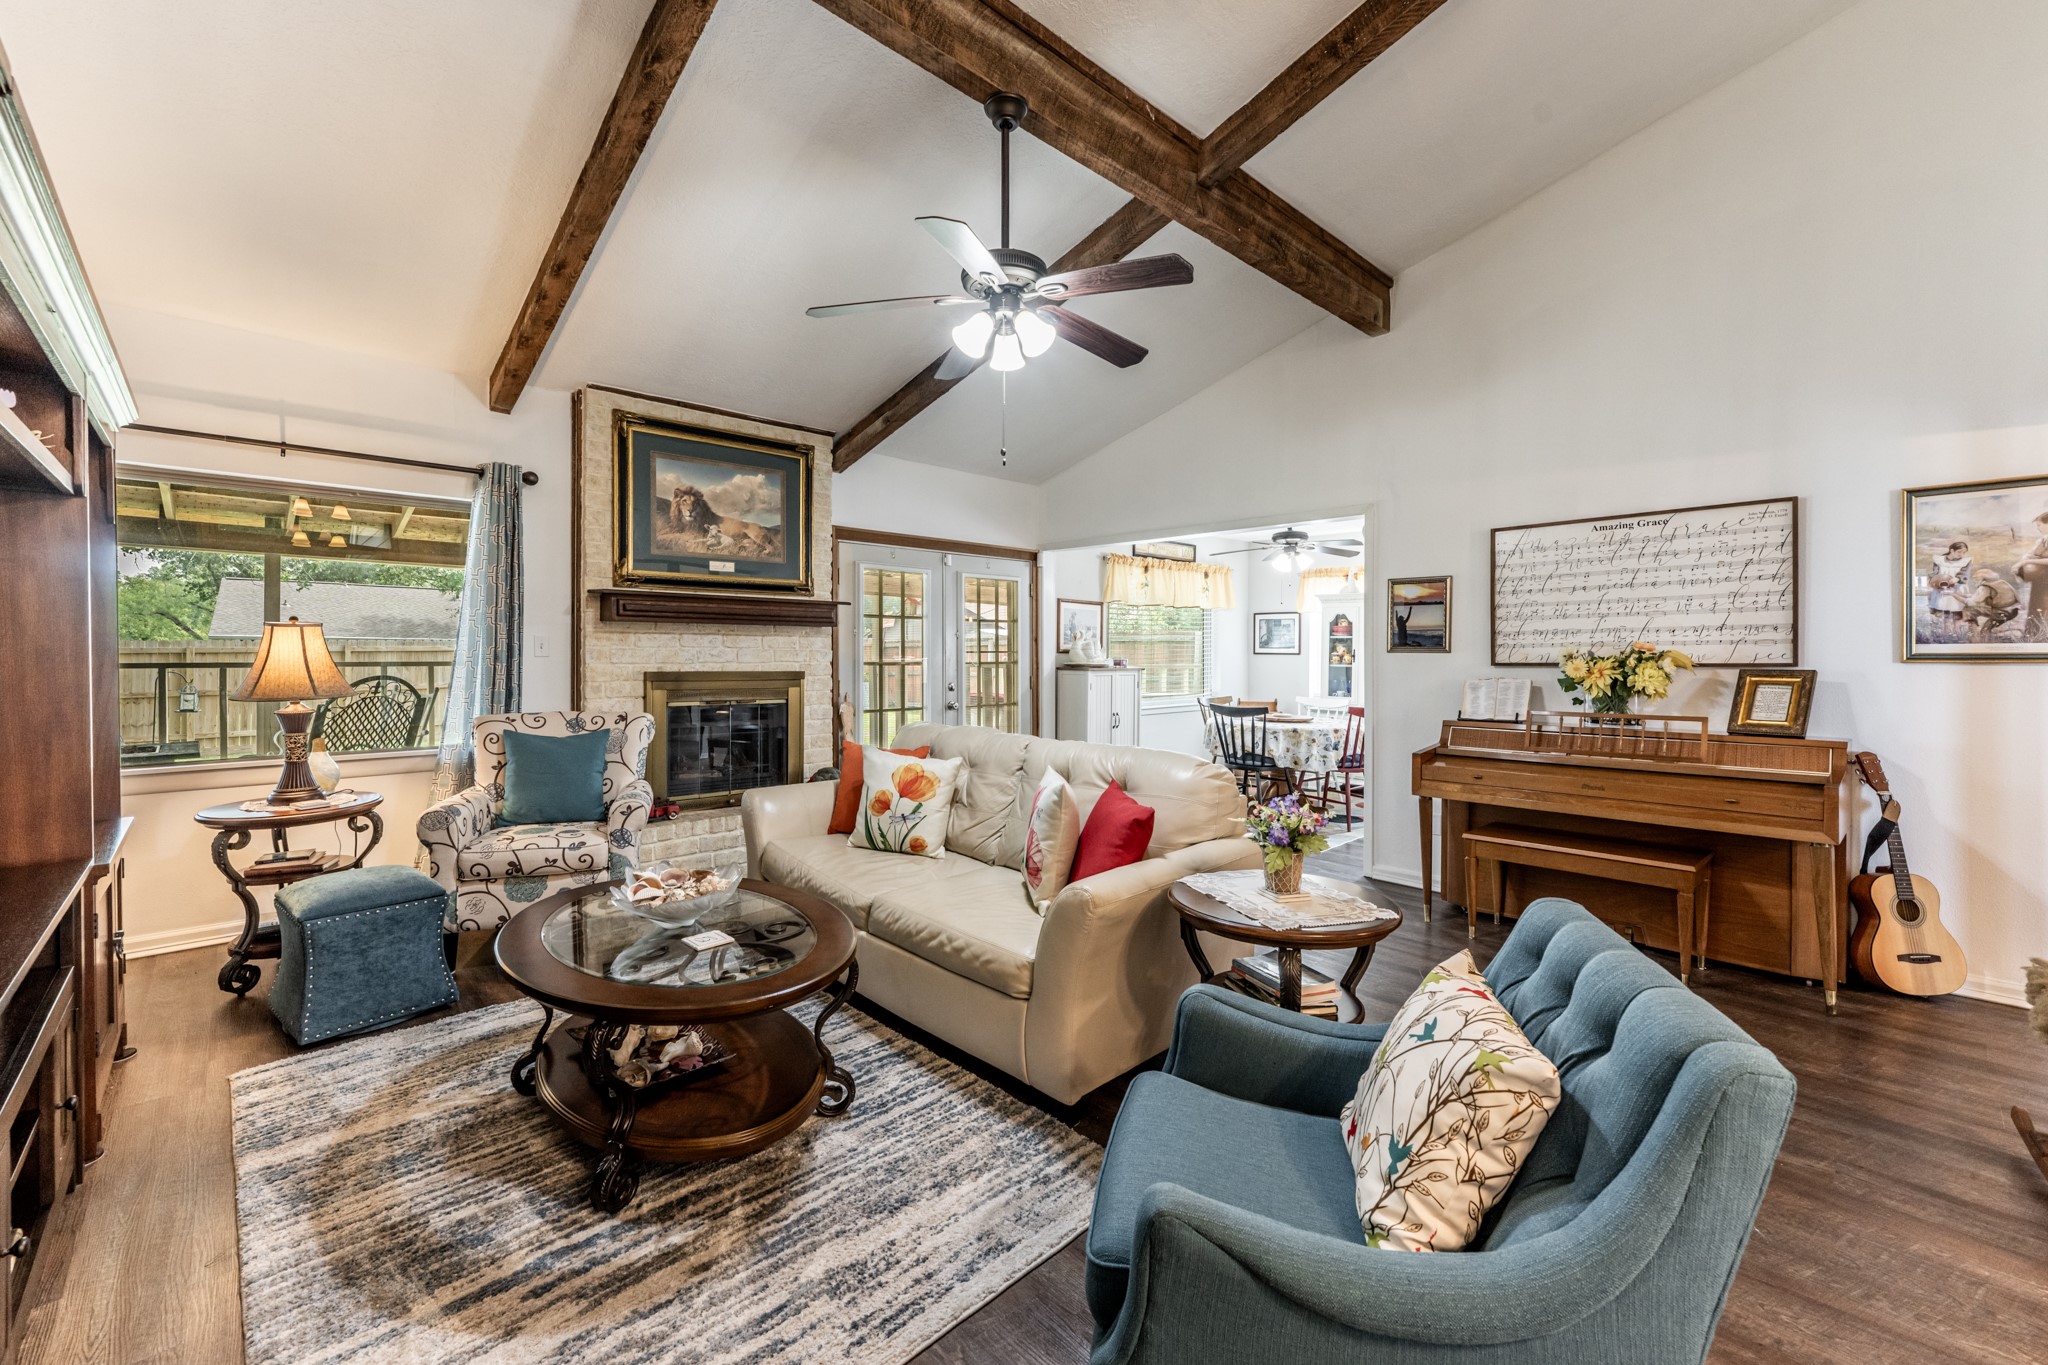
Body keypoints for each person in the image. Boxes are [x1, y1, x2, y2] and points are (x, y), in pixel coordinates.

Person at [2012, 511, 2048, 635]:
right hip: (2040, 580)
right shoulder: (2042, 540)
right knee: (2036, 605)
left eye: (2039, 525)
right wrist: (2020, 563)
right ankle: (2033, 635)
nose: (2038, 528)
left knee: (2045, 605)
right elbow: (2029, 555)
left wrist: (2026, 562)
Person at [1962, 567, 2021, 640]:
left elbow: (1973, 602)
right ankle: (1983, 637)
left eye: (1976, 578)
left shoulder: (1984, 587)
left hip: (2000, 612)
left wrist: (1955, 595)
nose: (1974, 581)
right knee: (1986, 630)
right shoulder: (2000, 582)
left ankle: (1974, 635)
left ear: (1982, 578)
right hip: (2012, 611)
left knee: (1969, 610)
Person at [1926, 540, 1972, 618]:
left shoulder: (1965, 561)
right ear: (1952, 550)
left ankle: (1957, 628)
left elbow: (1965, 573)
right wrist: (1932, 580)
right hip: (1941, 587)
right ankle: (1944, 627)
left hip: (1957, 587)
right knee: (1943, 610)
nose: (1961, 554)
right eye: (1959, 552)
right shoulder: (1939, 560)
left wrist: (1957, 578)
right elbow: (1935, 572)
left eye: (1964, 553)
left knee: (1956, 611)